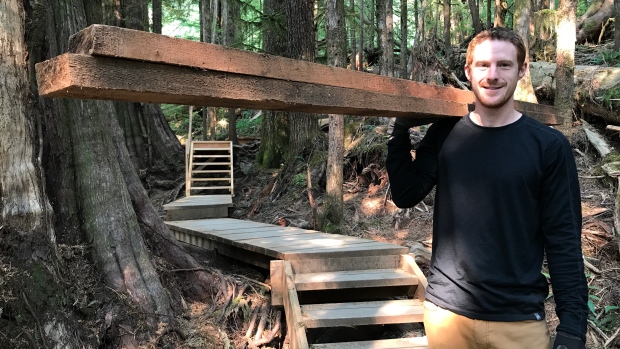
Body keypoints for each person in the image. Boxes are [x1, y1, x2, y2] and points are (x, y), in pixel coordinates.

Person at [387, 27, 588, 349]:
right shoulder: (445, 134)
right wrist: (398, 133)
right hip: (446, 314)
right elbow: (406, 194)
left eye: (504, 65)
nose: (492, 75)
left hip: (519, 320)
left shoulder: (548, 146)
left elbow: (563, 240)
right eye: (483, 65)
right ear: (468, 71)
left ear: (523, 70)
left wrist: (573, 329)